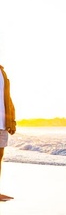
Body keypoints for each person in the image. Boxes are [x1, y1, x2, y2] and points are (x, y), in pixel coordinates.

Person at [0, 63, 16, 202]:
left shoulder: (2, 72)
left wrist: (11, 120)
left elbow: (7, 98)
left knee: (0, 156)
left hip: (2, 123)